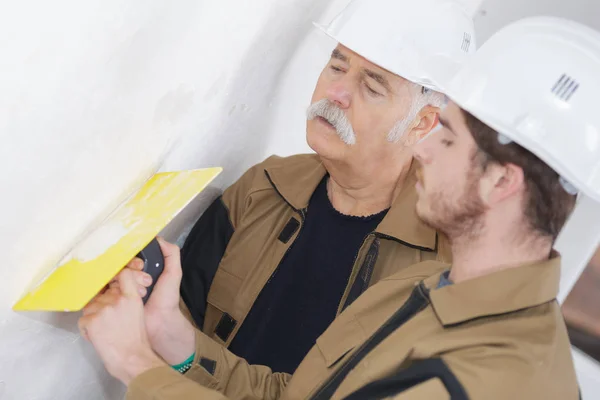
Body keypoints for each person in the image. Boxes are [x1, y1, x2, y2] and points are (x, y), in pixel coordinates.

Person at [79, 15, 597, 399]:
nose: (422, 150)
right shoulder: (422, 293)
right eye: (337, 66)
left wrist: (135, 362)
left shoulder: (485, 378)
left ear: (500, 181)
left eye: (447, 138)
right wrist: (174, 340)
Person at [176, 0, 474, 376]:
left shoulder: (440, 266)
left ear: (421, 124)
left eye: (371, 87)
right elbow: (176, 316)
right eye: (337, 66)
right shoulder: (262, 188)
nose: (336, 92)